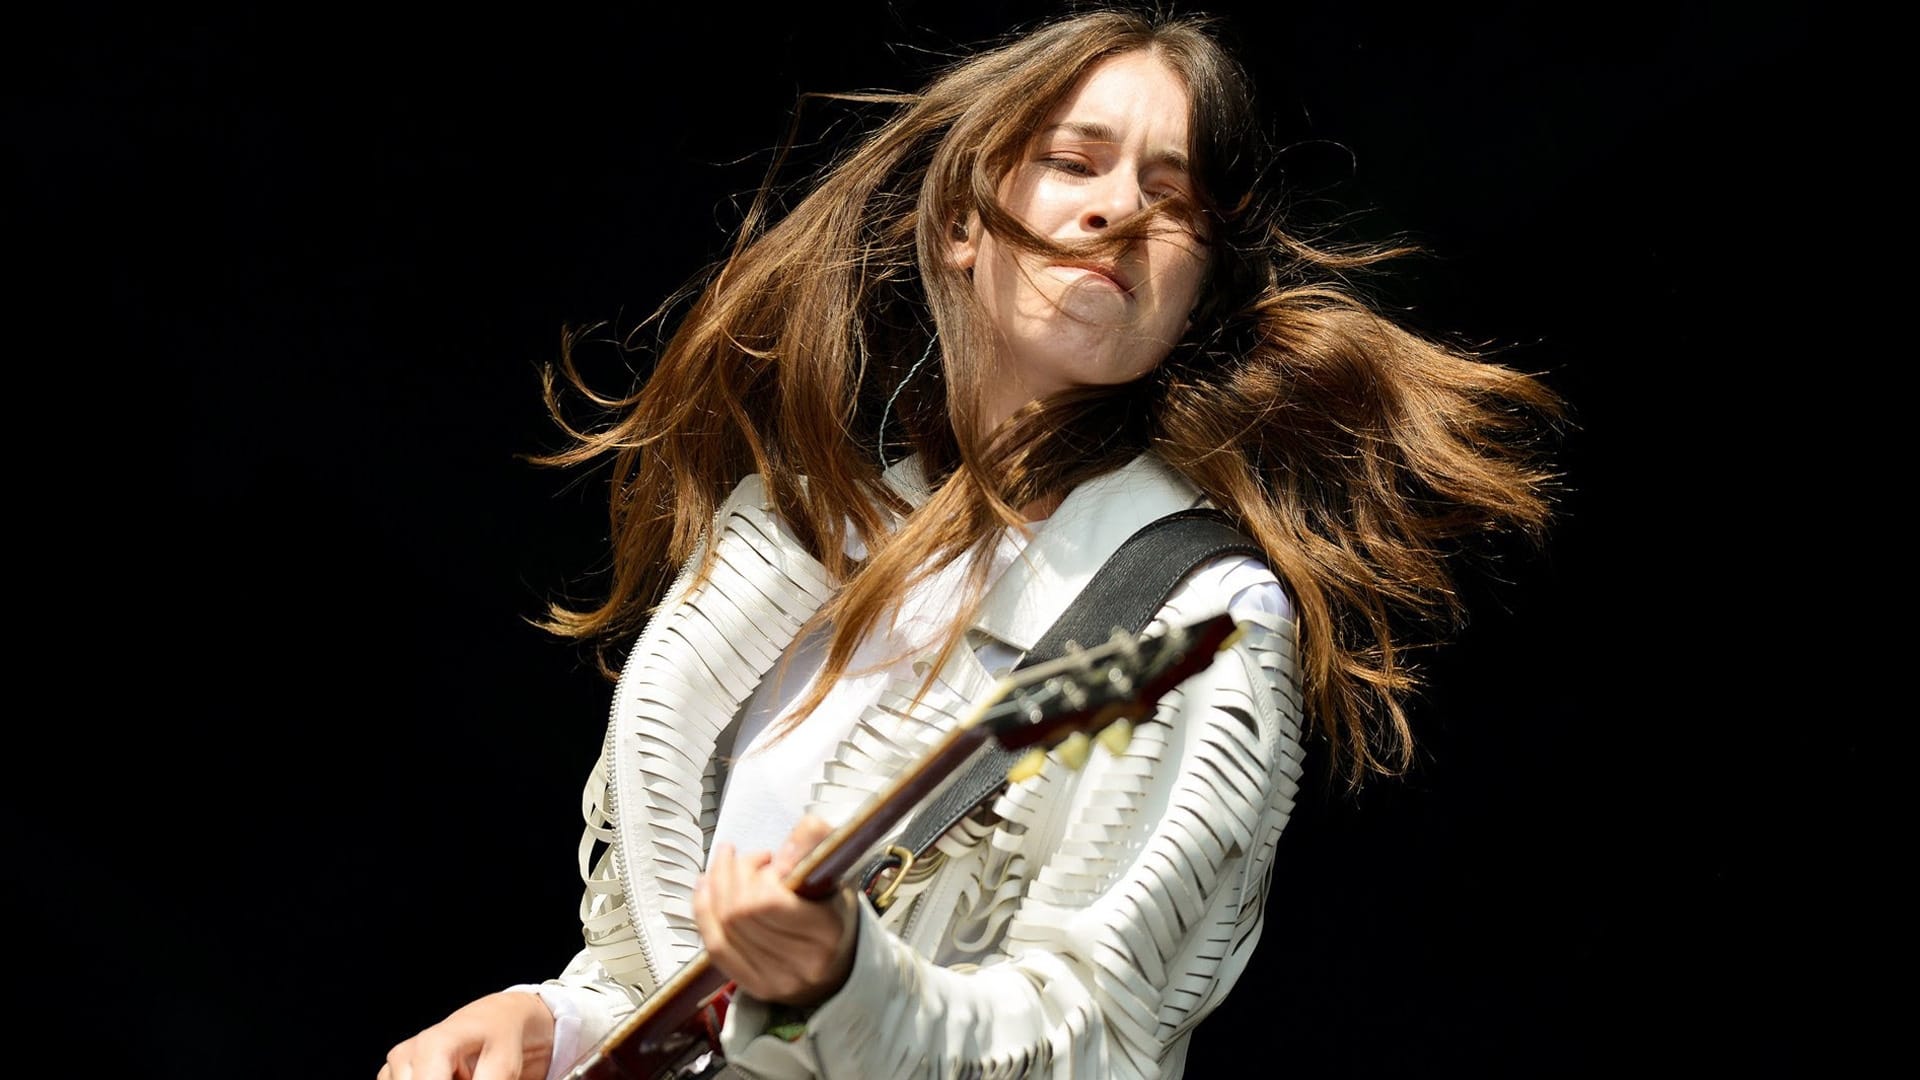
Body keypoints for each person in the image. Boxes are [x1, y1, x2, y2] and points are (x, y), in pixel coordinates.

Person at [378, 5, 1562, 1079]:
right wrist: (558, 1022)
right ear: (958, 224)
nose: (1118, 209)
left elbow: (1098, 1040)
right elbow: (670, 975)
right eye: (1074, 162)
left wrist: (847, 983)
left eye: (1175, 196)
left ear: (1194, 289)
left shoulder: (1195, 621)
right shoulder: (787, 537)